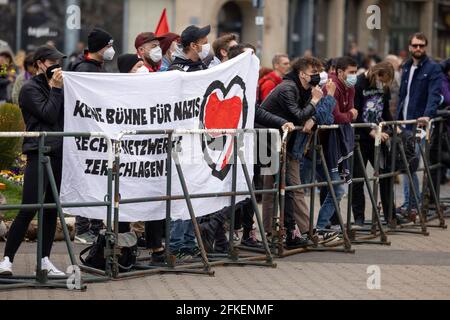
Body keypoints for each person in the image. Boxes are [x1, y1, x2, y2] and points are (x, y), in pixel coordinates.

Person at [0, 45, 67, 276]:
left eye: (60, 62)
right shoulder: (30, 89)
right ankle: (7, 260)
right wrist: (56, 89)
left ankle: (44, 260)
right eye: (52, 62)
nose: (57, 67)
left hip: (58, 151)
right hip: (38, 152)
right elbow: (48, 115)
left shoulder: (62, 87)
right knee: (29, 206)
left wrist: (60, 89)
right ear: (40, 63)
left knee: (50, 209)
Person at [260, 56, 337, 246]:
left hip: (290, 143)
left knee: (291, 188)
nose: (317, 77)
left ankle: (294, 232)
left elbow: (323, 118)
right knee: (273, 189)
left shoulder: (307, 89)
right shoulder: (288, 88)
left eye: (318, 73)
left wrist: (323, 103)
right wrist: (316, 102)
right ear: (302, 74)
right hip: (268, 139)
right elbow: (299, 116)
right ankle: (276, 233)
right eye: (313, 73)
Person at [167, 25, 211, 260]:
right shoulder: (178, 70)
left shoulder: (201, 67)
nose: (207, 45)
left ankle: (188, 241)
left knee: (193, 191)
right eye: (204, 41)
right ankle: (175, 245)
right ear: (193, 45)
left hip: (198, 138)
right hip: (183, 139)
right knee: (181, 191)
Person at [71, 27, 116, 244]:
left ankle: (97, 226)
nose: (111, 50)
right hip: (88, 134)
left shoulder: (97, 66)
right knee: (88, 180)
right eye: (108, 46)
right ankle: (82, 227)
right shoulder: (84, 68)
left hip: (99, 134)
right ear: (99, 48)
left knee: (99, 181)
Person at [352, 61, 406, 226]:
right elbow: (356, 112)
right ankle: (359, 218)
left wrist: (393, 126)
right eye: (381, 79)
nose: (382, 83)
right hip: (361, 139)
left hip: (380, 137)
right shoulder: (358, 83)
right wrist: (371, 131)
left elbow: (385, 111)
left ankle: (390, 215)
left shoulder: (384, 86)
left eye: (386, 81)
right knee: (358, 180)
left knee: (385, 177)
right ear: (375, 73)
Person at [396, 32, 443, 216]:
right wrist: (397, 117)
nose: (418, 49)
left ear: (425, 47)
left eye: (421, 46)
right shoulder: (406, 66)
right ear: (409, 47)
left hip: (419, 124)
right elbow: (402, 95)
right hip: (404, 123)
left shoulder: (433, 68)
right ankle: (411, 203)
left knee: (411, 164)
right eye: (415, 45)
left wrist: (427, 115)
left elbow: (434, 94)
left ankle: (412, 205)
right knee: (406, 165)